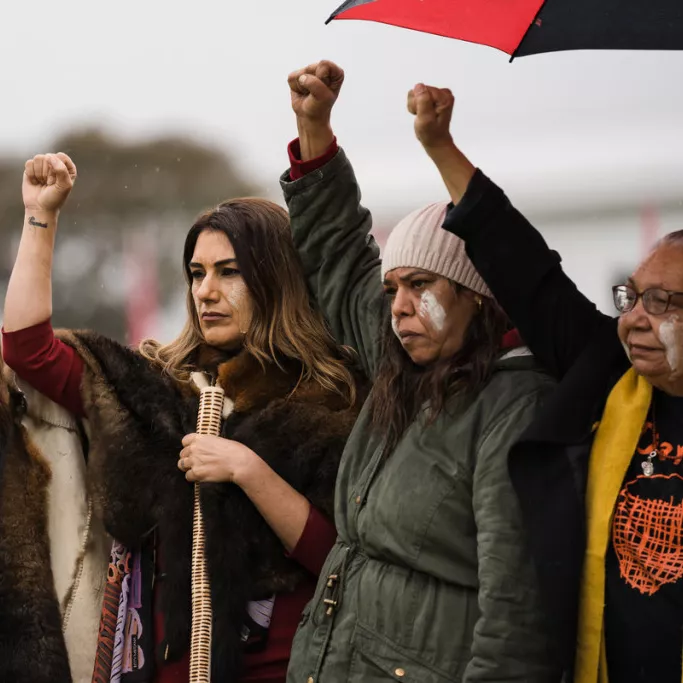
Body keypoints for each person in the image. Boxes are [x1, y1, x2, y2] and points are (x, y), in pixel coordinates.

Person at [0, 152, 363, 683]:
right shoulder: (159, 387)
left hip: (289, 668)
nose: (205, 291)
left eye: (228, 272)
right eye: (196, 273)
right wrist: (41, 217)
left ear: (275, 280)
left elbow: (341, 558)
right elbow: (28, 350)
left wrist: (249, 471)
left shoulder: (332, 398)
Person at [279, 60, 559, 683]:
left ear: (476, 295)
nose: (399, 307)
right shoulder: (400, 362)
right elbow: (338, 255)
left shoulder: (516, 406)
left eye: (420, 285)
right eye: (392, 288)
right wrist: (314, 127)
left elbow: (517, 610)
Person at [408, 80, 683, 683]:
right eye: (631, 296)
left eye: (661, 302)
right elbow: (524, 267)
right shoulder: (609, 372)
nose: (633, 318)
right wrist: (440, 145)